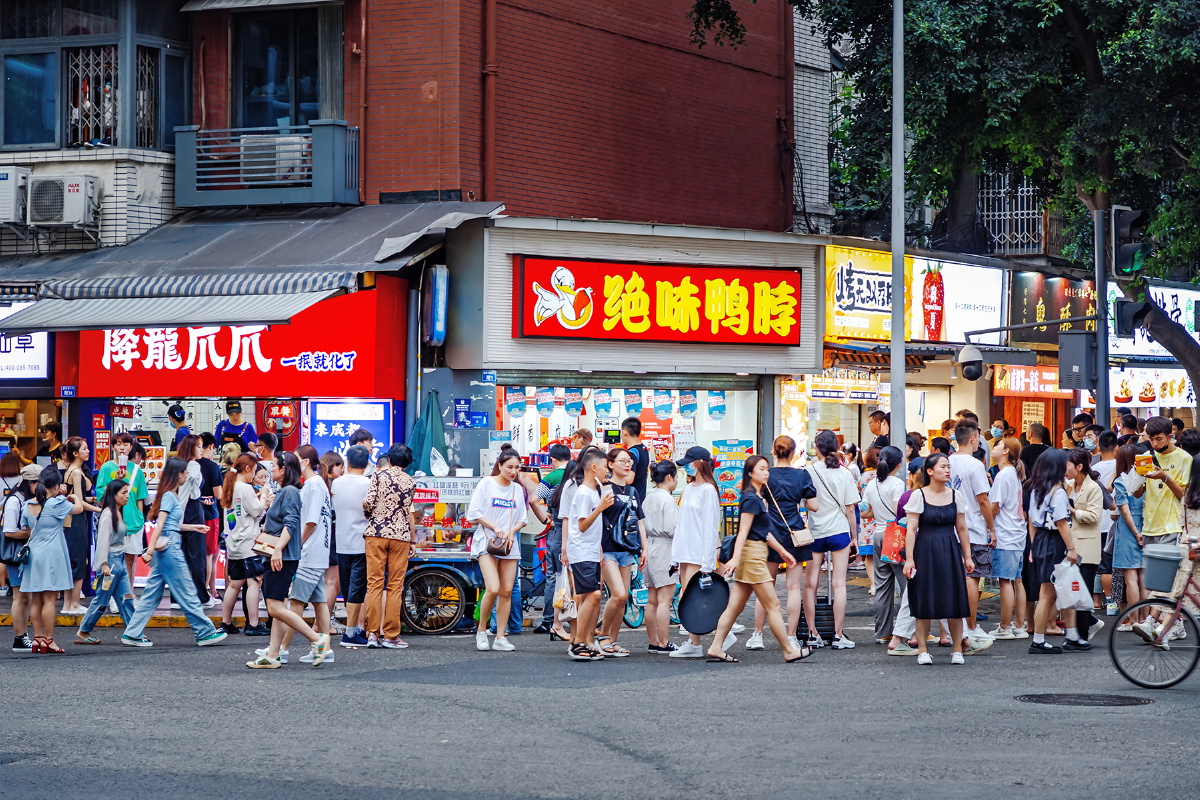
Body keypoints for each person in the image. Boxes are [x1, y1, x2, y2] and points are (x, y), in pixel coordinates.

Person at [706, 455, 811, 663]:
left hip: (754, 554)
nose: (766, 473)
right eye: (762, 469)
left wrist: (782, 552)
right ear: (750, 473)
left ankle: (716, 647)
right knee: (772, 605)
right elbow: (743, 530)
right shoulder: (751, 498)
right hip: (752, 556)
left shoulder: (757, 497)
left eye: (767, 469)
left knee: (734, 607)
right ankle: (788, 650)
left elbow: (764, 532)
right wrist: (736, 557)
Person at [121, 459, 227, 649]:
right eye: (185, 473)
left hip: (166, 547)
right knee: (186, 590)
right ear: (178, 474)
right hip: (170, 548)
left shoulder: (168, 495)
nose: (187, 476)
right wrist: (150, 551)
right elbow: (161, 524)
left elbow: (168, 524)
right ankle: (204, 632)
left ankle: (132, 632)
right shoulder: (170, 496)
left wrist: (193, 527)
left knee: (151, 595)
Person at [246, 451, 330, 667]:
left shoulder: (291, 491)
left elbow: (291, 523)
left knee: (274, 607)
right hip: (280, 555)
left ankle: (316, 639)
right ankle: (273, 655)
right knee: (278, 606)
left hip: (281, 556)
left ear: (284, 469)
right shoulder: (286, 491)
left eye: (274, 465)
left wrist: (277, 549)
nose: (271, 469)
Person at [902, 453, 974, 665]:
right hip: (924, 550)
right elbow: (911, 529)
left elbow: (962, 528)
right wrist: (909, 559)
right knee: (924, 600)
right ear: (930, 471)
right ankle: (922, 651)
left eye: (948, 467)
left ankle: (957, 650)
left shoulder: (955, 495)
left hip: (950, 550)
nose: (947, 470)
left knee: (955, 601)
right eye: (943, 466)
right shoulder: (918, 496)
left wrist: (967, 557)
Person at [748, 435, 817, 651]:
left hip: (770, 533)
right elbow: (814, 505)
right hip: (795, 533)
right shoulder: (802, 475)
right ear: (793, 453)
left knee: (765, 586)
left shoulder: (766, 476)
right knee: (793, 587)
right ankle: (792, 636)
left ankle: (758, 635)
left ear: (774, 451)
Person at [272, 445, 336, 664]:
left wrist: (295, 546)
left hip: (309, 552)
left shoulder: (314, 485)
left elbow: (310, 521)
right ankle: (324, 649)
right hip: (316, 551)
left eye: (296, 458)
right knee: (318, 601)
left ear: (305, 462)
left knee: (296, 602)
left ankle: (281, 649)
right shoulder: (315, 484)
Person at [1026, 448, 1088, 654]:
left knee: (1064, 588)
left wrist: (1034, 546)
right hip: (1055, 542)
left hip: (1042, 540)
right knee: (1048, 593)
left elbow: (1031, 521)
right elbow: (1062, 523)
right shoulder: (1058, 492)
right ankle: (1039, 640)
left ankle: (1071, 635)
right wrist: (1071, 548)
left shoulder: (1036, 489)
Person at [466, 447, 527, 653]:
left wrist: (512, 531)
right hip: (487, 542)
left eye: (517, 468)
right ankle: (482, 630)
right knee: (492, 588)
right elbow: (473, 512)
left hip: (509, 544)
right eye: (509, 467)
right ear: (499, 466)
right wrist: (495, 527)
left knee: (507, 590)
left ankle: (501, 636)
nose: (513, 471)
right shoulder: (486, 483)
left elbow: (522, 519)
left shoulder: (517, 489)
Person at [803, 430, 859, 650]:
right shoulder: (844, 473)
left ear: (816, 447)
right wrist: (854, 536)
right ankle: (837, 635)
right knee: (839, 583)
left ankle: (811, 633)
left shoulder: (808, 471)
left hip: (816, 532)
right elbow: (850, 509)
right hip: (839, 532)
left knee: (810, 584)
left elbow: (803, 502)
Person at [20, 466, 84, 653]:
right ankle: (49, 640)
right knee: (50, 600)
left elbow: (28, 532)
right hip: (52, 554)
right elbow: (79, 508)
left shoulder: (28, 505)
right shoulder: (56, 504)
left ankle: (37, 638)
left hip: (34, 555)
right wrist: (73, 497)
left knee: (36, 600)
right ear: (56, 485)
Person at [361, 443, 418, 649]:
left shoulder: (378, 476)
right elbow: (407, 510)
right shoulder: (410, 481)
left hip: (376, 533)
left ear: (390, 460)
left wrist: (372, 515)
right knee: (395, 586)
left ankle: (372, 634)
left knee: (374, 583)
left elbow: (367, 501)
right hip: (401, 535)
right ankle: (391, 635)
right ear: (407, 464)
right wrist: (413, 540)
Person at [669, 446, 722, 658]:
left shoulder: (708, 490)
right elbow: (682, 524)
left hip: (698, 552)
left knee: (692, 598)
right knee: (688, 598)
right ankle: (697, 641)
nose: (686, 469)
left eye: (689, 464)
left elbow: (710, 527)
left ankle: (697, 642)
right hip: (685, 551)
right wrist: (675, 555)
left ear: (700, 463)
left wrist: (708, 561)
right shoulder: (690, 489)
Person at [596, 447, 648, 658]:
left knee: (624, 597)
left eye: (629, 462)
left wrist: (644, 548)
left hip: (626, 550)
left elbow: (640, 521)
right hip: (607, 549)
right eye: (623, 461)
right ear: (610, 464)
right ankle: (602, 637)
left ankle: (614, 641)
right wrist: (597, 548)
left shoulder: (633, 492)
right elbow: (596, 519)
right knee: (617, 593)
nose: (627, 465)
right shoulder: (604, 489)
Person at [948, 419, 996, 641]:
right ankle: (971, 626)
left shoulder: (946, 462)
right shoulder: (975, 465)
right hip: (973, 528)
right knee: (972, 578)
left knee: (952, 580)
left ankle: (951, 630)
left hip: (950, 529)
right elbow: (983, 500)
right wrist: (992, 529)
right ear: (973, 438)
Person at [75, 479, 137, 644]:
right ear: (114, 495)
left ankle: (133, 632)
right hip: (110, 563)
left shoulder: (117, 512)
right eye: (123, 493)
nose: (127, 496)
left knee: (127, 598)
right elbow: (102, 540)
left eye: (127, 492)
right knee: (102, 601)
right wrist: (103, 564)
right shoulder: (108, 514)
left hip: (119, 561)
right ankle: (84, 631)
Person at [562, 447, 609, 660]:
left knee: (592, 595)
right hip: (581, 551)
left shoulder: (592, 491)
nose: (607, 472)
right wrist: (599, 508)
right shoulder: (583, 493)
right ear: (593, 468)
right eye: (605, 467)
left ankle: (583, 641)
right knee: (593, 595)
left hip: (588, 551)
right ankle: (578, 642)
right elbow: (581, 525)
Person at [219, 453, 270, 636]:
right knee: (254, 582)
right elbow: (256, 511)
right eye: (254, 470)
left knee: (234, 584)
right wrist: (264, 497)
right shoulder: (245, 488)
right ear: (248, 469)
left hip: (233, 542)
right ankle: (254, 624)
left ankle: (225, 623)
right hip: (248, 542)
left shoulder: (230, 485)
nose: (254, 474)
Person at [987, 438, 1029, 639]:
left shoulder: (1004, 475)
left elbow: (994, 507)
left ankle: (1005, 627)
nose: (993, 448)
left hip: (1006, 534)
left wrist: (987, 524)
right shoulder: (1012, 474)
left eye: (997, 445)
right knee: (1017, 581)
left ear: (1005, 451)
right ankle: (1018, 625)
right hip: (1017, 533)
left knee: (1005, 581)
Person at [95, 432, 149, 583]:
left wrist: (140, 517)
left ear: (131, 447)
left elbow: (140, 498)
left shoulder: (137, 470)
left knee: (130, 561)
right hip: (114, 520)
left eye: (126, 444)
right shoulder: (106, 468)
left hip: (133, 521)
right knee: (113, 560)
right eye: (118, 444)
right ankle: (113, 595)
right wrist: (116, 480)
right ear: (113, 447)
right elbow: (100, 496)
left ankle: (128, 595)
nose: (122, 448)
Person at [866, 446, 906, 643]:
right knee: (907, 585)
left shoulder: (872, 484)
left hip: (878, 535)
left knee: (882, 587)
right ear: (898, 464)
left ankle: (882, 633)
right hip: (894, 535)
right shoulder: (897, 483)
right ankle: (910, 632)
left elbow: (865, 511)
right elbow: (898, 511)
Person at [333, 445, 372, 647]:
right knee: (358, 587)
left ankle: (354, 629)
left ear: (347, 462)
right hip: (362, 541)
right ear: (367, 463)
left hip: (341, 541)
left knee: (348, 587)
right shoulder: (370, 483)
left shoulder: (336, 484)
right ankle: (350, 632)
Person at [1066, 448, 1104, 642]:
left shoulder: (1093, 488)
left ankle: (1082, 633)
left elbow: (1095, 516)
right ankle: (1086, 625)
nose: (1065, 469)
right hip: (1073, 545)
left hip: (1087, 548)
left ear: (1080, 466)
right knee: (1075, 591)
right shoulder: (1070, 485)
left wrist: (1074, 511)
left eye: (1068, 465)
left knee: (1083, 592)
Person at [642, 460, 680, 653]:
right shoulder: (668, 499)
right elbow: (673, 528)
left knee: (652, 600)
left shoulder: (649, 498)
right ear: (669, 477)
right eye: (676, 476)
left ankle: (654, 641)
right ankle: (664, 642)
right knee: (665, 599)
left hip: (649, 545)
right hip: (665, 548)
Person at [534, 442, 572, 634]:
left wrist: (543, 519)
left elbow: (533, 499)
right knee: (571, 577)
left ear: (553, 460)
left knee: (554, 576)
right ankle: (570, 617)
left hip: (557, 530)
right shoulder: (577, 475)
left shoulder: (552, 477)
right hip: (576, 531)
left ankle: (550, 619)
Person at [60, 437, 100, 615]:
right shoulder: (76, 472)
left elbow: (81, 497)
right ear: (75, 453)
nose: (88, 451)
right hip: (76, 520)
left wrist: (94, 501)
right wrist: (100, 510)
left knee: (74, 561)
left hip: (74, 519)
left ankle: (69, 604)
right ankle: (73, 604)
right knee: (79, 561)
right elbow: (79, 502)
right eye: (85, 449)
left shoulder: (75, 470)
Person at [1140, 416, 1191, 551]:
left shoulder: (1184, 458)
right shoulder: (1147, 456)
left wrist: (1165, 477)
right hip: (1149, 527)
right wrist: (1137, 477)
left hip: (1172, 526)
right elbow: (1138, 494)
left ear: (1169, 436)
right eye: (1151, 439)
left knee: (1168, 571)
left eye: (1159, 439)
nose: (1154, 444)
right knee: (1150, 572)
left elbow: (1185, 496)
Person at [4, 464, 40, 651]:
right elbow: (9, 531)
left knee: (26, 595)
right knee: (20, 596)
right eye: (37, 484)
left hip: (24, 553)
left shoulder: (26, 499)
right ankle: (19, 637)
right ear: (29, 483)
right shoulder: (15, 501)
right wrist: (30, 533)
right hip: (17, 554)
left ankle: (23, 635)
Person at [174, 434, 213, 606]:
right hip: (192, 510)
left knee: (181, 555)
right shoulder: (193, 465)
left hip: (180, 511)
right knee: (197, 556)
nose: (201, 450)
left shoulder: (176, 465)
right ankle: (202, 596)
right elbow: (190, 489)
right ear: (192, 448)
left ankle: (177, 596)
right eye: (199, 446)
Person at [1110, 445, 1146, 623]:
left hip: (1127, 531)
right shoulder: (1146, 479)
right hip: (1147, 528)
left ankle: (1134, 620)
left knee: (1130, 579)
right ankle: (1147, 619)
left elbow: (1124, 511)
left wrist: (1135, 532)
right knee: (1143, 578)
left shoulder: (1120, 480)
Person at [198, 433, 225, 607]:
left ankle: (198, 592)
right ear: (212, 447)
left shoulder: (188, 465)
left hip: (192, 517)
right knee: (208, 555)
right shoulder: (213, 467)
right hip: (210, 516)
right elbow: (219, 495)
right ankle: (205, 592)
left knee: (195, 556)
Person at [320, 450, 345, 634]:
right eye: (340, 466)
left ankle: (323, 622)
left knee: (329, 583)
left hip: (323, 537)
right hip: (333, 536)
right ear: (332, 466)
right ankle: (323, 624)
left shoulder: (320, 484)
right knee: (332, 582)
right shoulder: (332, 486)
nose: (342, 470)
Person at [621, 417, 650, 502]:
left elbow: (629, 479)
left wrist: (611, 476)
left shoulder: (632, 453)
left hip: (632, 500)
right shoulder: (644, 449)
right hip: (640, 497)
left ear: (624, 432)